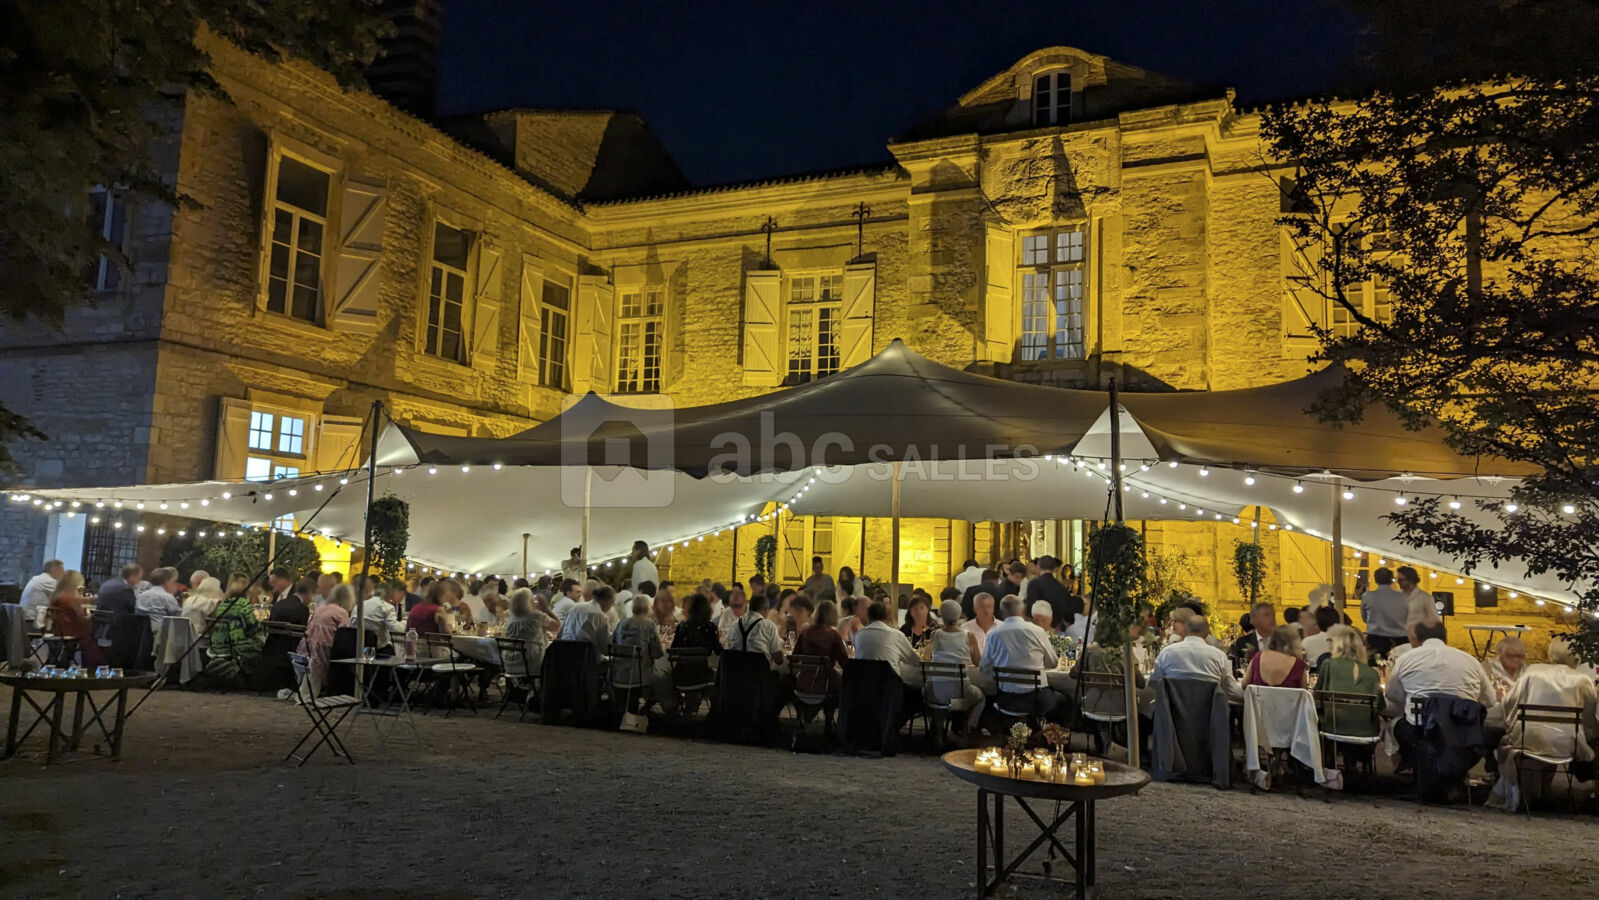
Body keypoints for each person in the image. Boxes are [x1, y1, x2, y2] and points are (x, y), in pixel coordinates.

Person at [1492, 638, 1599, 808]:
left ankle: (1531, 793)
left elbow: (1509, 703)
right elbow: (1589, 718)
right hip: (1569, 744)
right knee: (1558, 739)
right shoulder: (1583, 680)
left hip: (1529, 740)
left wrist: (1511, 725)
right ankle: (1546, 793)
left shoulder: (1533, 672)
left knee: (1526, 737)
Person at [1384, 619, 1495, 724]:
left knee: (1394, 725)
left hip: (1419, 730)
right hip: (1462, 731)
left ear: (1416, 638)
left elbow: (1392, 695)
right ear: (1445, 637)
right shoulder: (1470, 660)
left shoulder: (1406, 658)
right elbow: (1490, 700)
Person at [980, 596, 1063, 717]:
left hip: (1006, 700)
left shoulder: (993, 635)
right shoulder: (1037, 631)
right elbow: (1053, 663)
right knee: (1064, 699)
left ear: (1002, 612)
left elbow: (984, 669)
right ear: (1023, 610)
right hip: (1037, 699)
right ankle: (1044, 733)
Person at [1150, 616, 1243, 703]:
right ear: (1207, 633)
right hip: (1209, 717)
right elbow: (1232, 691)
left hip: (1171, 717)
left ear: (1186, 630)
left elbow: (1154, 682)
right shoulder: (1219, 656)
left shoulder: (1167, 653)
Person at [1313, 625, 1385, 737]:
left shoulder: (1328, 665)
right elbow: (1380, 706)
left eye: (1330, 640)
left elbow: (1317, 695)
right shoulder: (1372, 673)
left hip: (1333, 727)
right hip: (1365, 732)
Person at [928, 599, 986, 732]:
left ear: (941, 615)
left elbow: (927, 656)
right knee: (981, 697)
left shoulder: (935, 634)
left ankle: (938, 729)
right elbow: (978, 662)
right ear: (959, 615)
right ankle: (968, 728)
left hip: (937, 692)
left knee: (930, 692)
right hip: (961, 692)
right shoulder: (969, 636)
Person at [855, 601, 924, 698]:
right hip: (890, 688)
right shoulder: (896, 635)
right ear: (887, 617)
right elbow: (915, 661)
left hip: (864, 688)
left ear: (868, 616)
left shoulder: (858, 635)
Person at [298, 583, 353, 693]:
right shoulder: (341, 613)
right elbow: (344, 634)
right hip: (326, 651)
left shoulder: (320, 608)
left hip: (310, 649)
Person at [793, 598, 849, 688]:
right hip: (825, 685)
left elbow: (794, 657)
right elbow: (844, 663)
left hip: (803, 684)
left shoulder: (805, 632)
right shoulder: (833, 635)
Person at [724, 591, 783, 669]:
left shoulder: (734, 625)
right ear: (765, 609)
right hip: (760, 677)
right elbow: (778, 660)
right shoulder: (769, 626)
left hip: (735, 676)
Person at [503, 587, 553, 675]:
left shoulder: (510, 620)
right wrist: (545, 609)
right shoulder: (536, 616)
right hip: (530, 663)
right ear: (529, 601)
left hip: (509, 664)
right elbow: (557, 627)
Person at [557, 584, 615, 658]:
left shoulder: (576, 607)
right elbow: (605, 647)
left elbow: (560, 633)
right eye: (612, 603)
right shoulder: (601, 616)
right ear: (607, 601)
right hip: (584, 658)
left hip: (563, 653)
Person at [1024, 555, 1077, 630]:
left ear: (1038, 567)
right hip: (1057, 631)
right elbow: (1069, 617)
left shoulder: (1034, 584)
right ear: (1054, 569)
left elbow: (1029, 611)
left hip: (1037, 629)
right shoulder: (1062, 588)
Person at [1229, 602, 1276, 669]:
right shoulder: (1241, 643)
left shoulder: (1283, 641)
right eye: (1265, 616)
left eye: (1272, 615)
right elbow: (1236, 668)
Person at [1483, 636, 1527, 706]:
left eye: (1519, 656)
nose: (1515, 659)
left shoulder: (1528, 672)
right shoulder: (1487, 670)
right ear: (1501, 655)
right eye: (1510, 655)